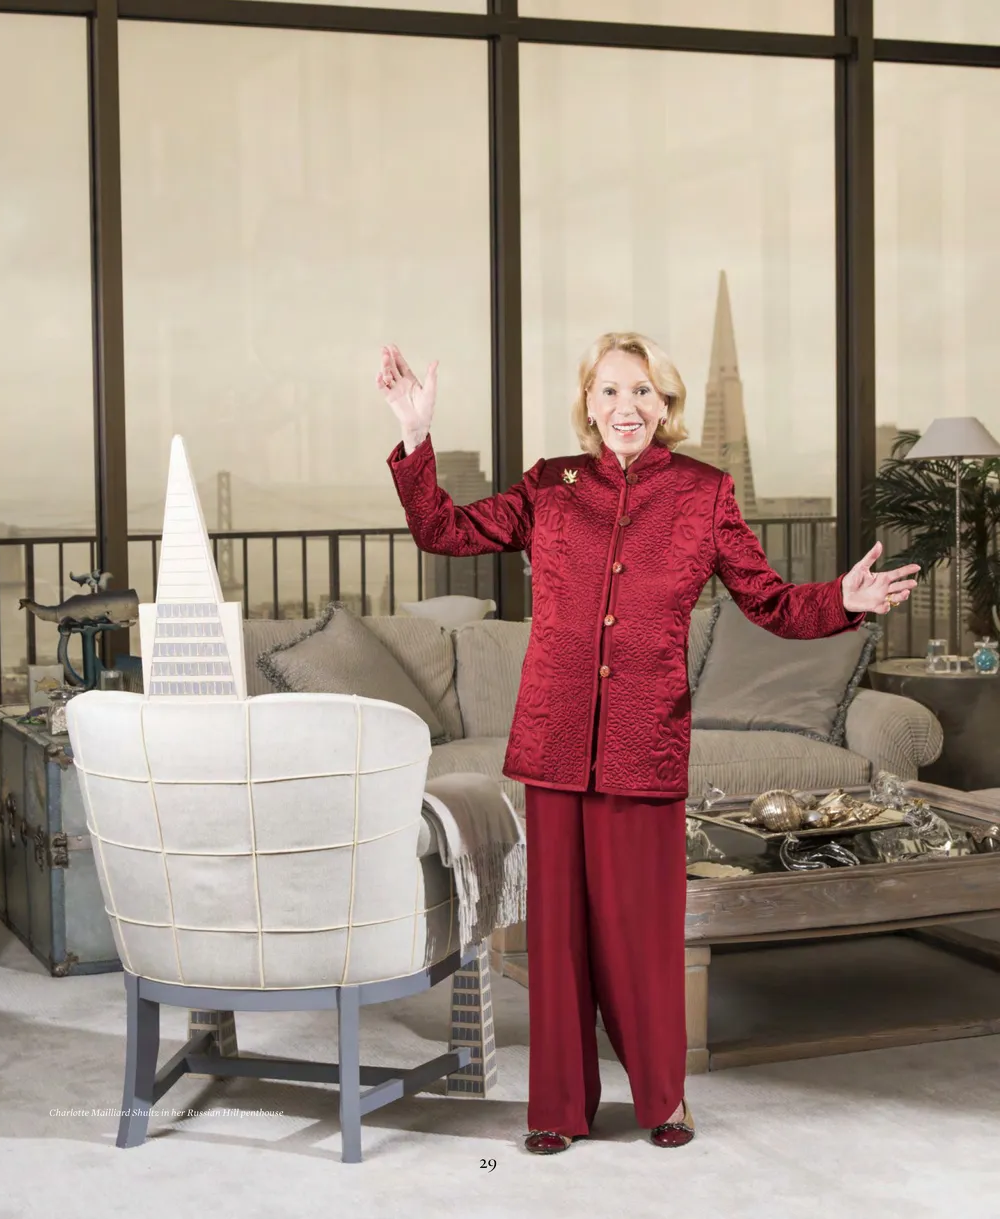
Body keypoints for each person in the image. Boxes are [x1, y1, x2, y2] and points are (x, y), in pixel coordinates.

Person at [376, 332, 919, 1155]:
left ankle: (663, 1096)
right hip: (556, 743)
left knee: (643, 937)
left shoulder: (704, 493)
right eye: (608, 390)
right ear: (588, 404)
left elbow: (769, 602)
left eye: (641, 391)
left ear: (665, 405)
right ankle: (558, 1107)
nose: (624, 406)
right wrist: (415, 434)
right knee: (558, 941)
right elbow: (442, 530)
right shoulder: (551, 485)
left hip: (645, 746)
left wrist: (842, 600)